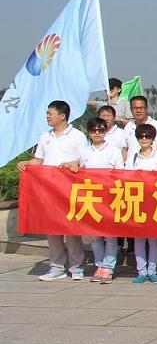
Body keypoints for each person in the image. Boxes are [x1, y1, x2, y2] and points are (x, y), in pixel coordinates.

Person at [19, 101, 89, 281]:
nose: (47, 116)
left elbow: (86, 160)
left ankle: (76, 266)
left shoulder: (77, 136)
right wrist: (26, 164)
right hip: (49, 190)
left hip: (69, 190)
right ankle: (57, 267)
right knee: (52, 228)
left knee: (72, 229)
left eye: (50, 113)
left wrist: (74, 163)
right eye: (47, 113)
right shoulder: (45, 137)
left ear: (62, 116)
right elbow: (39, 160)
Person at [62, 117, 123, 283]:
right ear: (88, 133)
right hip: (91, 198)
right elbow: (77, 168)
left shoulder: (114, 151)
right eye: (93, 130)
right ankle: (99, 266)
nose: (97, 133)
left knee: (110, 236)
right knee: (95, 236)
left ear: (105, 131)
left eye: (100, 130)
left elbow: (121, 174)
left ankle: (108, 268)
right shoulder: (84, 152)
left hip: (109, 198)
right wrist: (70, 165)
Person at [125, 123, 157, 284]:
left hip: (155, 200)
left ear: (153, 139)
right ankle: (141, 271)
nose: (144, 139)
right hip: (138, 200)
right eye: (141, 136)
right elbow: (126, 177)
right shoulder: (133, 157)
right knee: (139, 238)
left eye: (147, 136)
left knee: (154, 238)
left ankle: (153, 271)